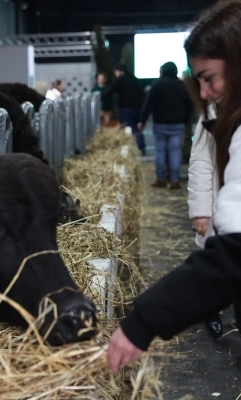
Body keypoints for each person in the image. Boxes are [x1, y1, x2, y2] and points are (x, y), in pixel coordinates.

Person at [106, 0, 241, 374]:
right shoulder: (220, 117)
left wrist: (144, 321)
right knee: (166, 153)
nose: (205, 91)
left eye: (209, 77)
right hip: (173, 129)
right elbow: (200, 162)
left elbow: (234, 255)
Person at [188, 106, 241, 338]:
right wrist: (200, 210)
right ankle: (211, 308)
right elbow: (201, 160)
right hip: (224, 204)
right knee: (221, 263)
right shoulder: (215, 111)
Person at [138, 62, 194, 189]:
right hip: (178, 124)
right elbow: (189, 105)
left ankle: (161, 178)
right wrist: (185, 120)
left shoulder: (157, 84)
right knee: (175, 152)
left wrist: (143, 121)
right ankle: (175, 180)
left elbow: (148, 104)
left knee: (160, 152)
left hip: (160, 124)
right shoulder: (182, 85)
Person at [102, 64, 146, 154]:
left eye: (116, 72)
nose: (115, 75)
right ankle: (141, 147)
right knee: (138, 128)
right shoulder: (136, 80)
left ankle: (131, 149)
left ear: (120, 71)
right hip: (138, 108)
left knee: (128, 129)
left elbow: (109, 91)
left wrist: (101, 98)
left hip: (125, 109)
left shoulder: (120, 80)